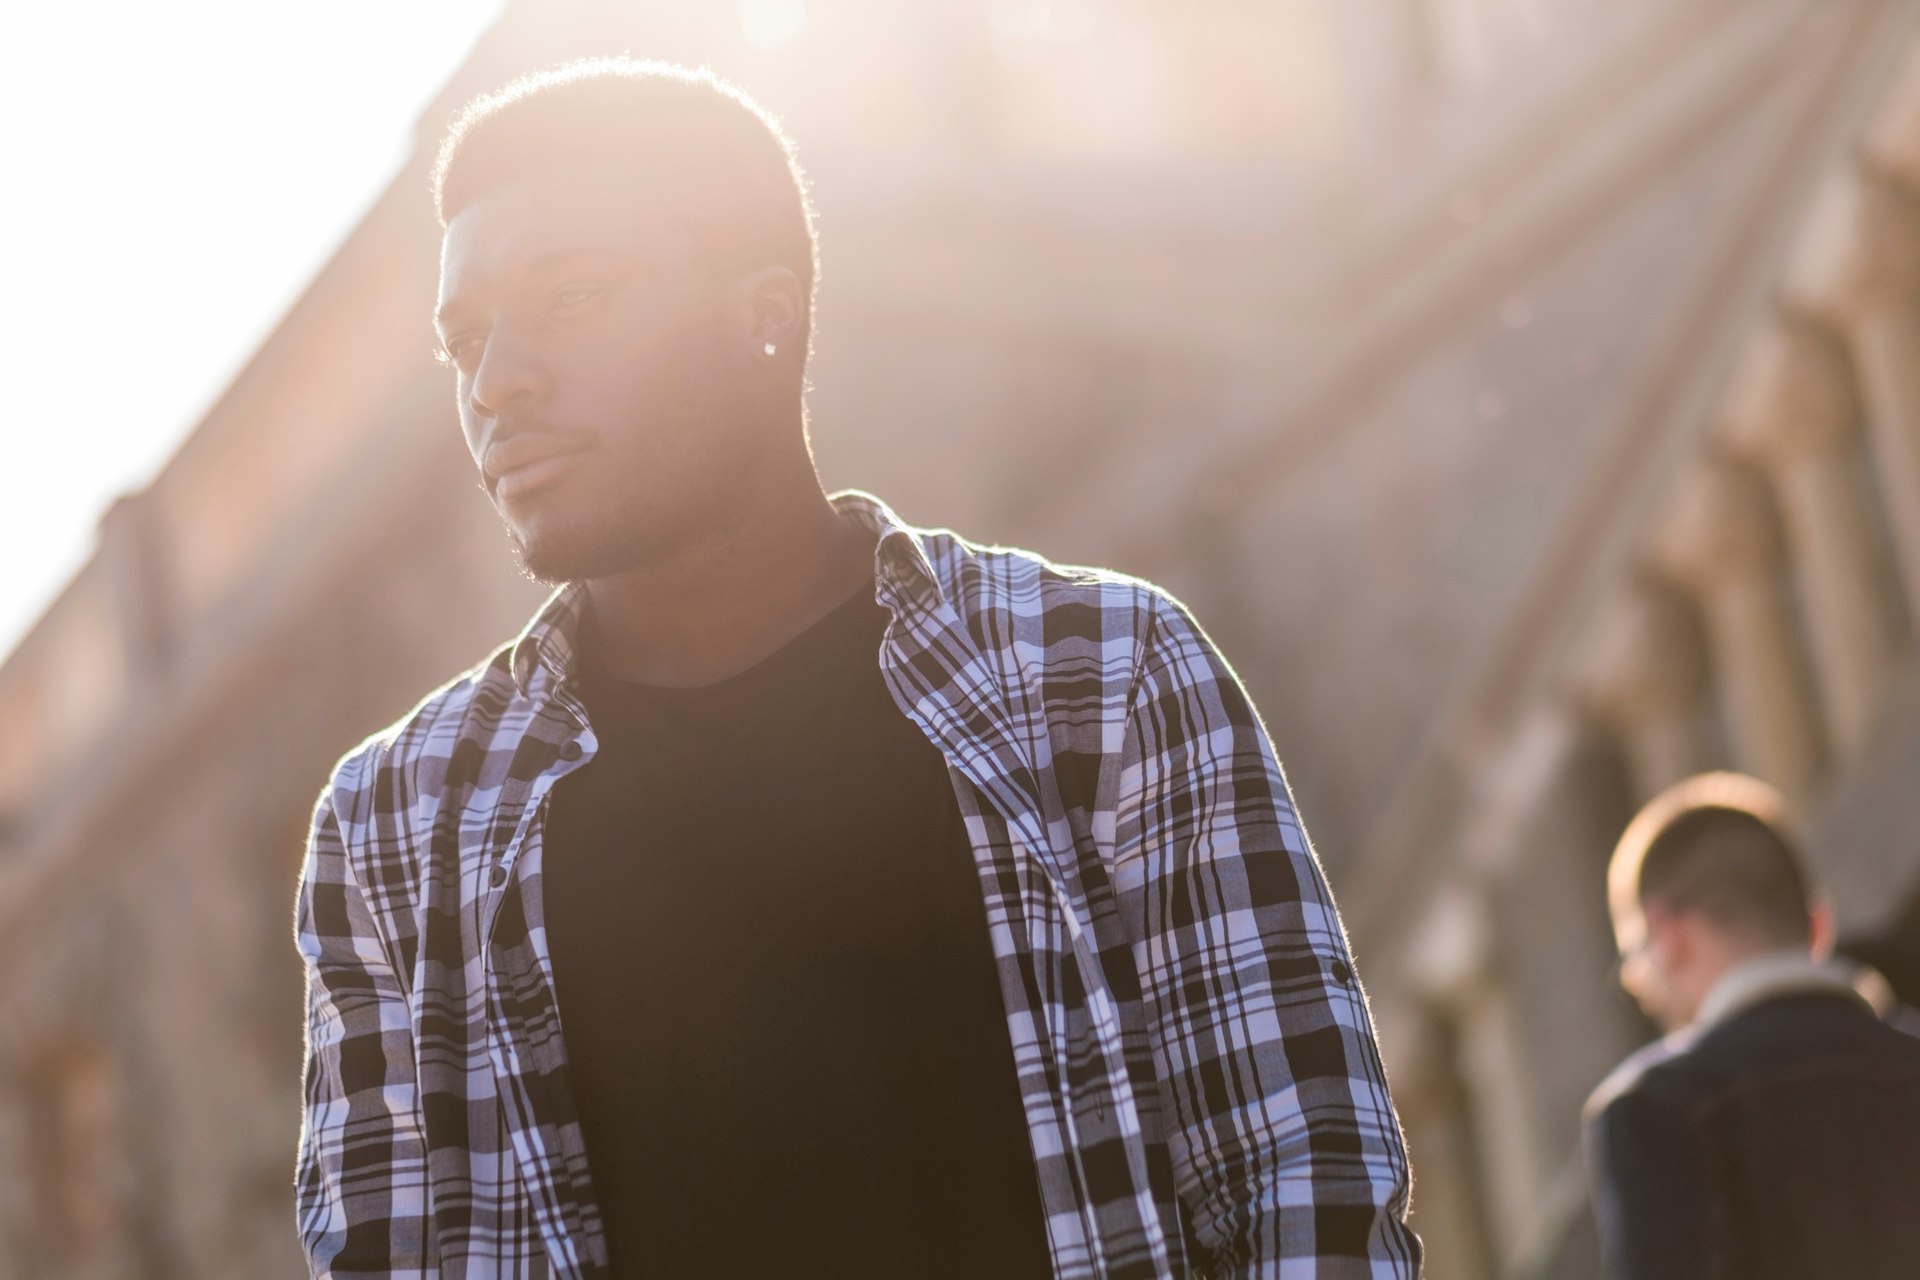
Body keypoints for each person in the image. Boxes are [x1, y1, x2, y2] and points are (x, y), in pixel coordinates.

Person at [291, 58, 1420, 1279]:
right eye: (465, 342)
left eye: (573, 297)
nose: (497, 381)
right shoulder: (400, 825)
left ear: (764, 310)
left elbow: (1304, 1187)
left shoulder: (1100, 674)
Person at [1585, 771, 1920, 1280]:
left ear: (1667, 934)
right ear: (1818, 926)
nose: (1644, 991)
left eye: (1636, 963)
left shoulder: (1657, 1108)